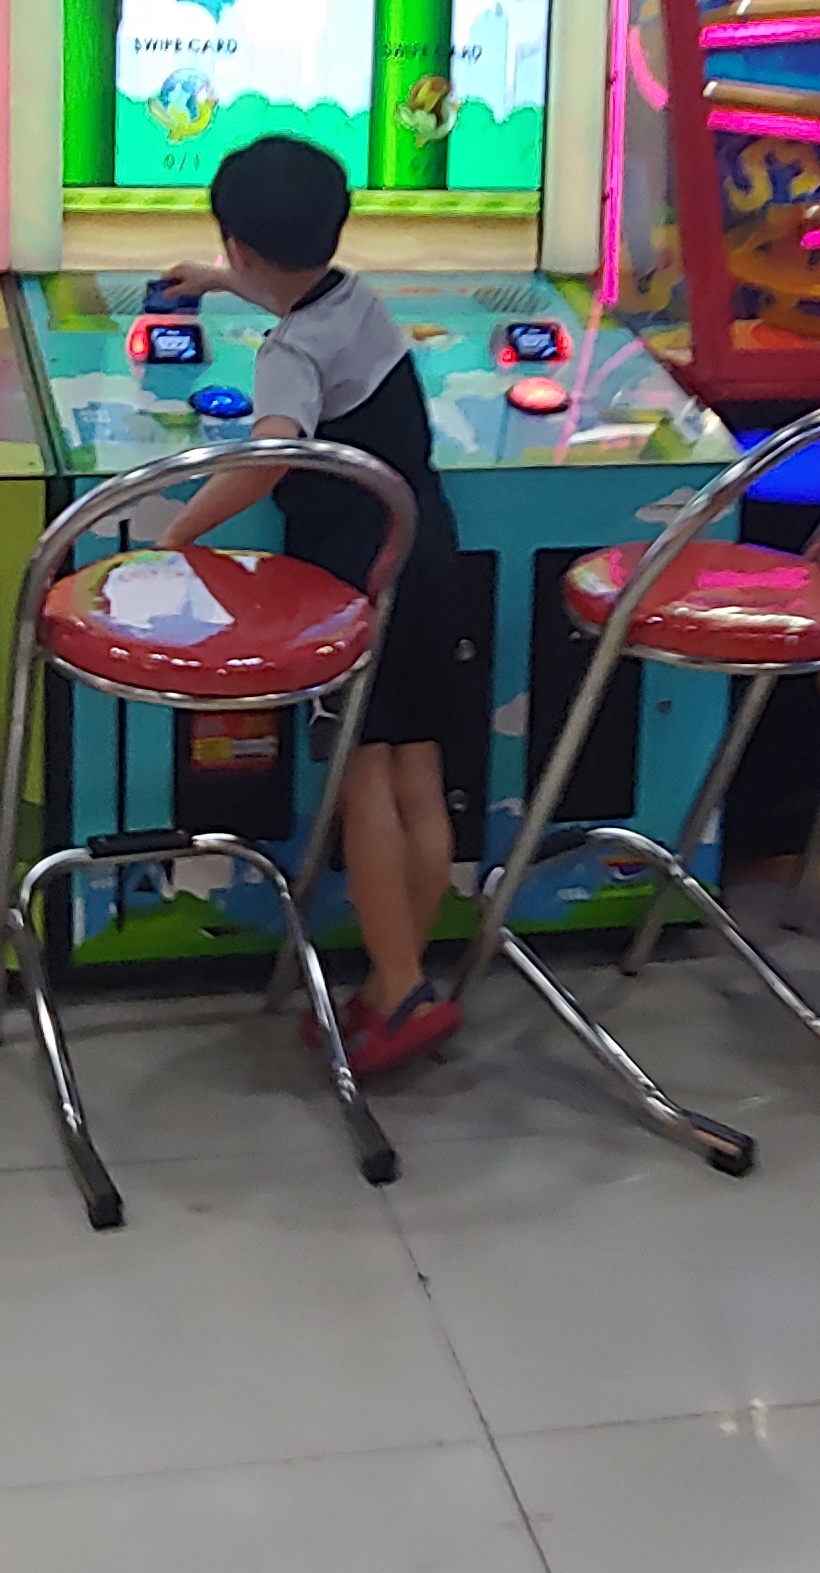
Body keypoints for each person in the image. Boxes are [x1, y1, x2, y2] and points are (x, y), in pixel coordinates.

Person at [148, 136, 476, 1073]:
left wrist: (178, 533)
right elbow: (298, 295)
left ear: (241, 242)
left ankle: (397, 988)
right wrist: (220, 282)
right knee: (419, 770)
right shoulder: (357, 300)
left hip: (353, 581)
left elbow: (269, 458)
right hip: (424, 550)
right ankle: (405, 979)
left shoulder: (288, 353)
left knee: (362, 780)